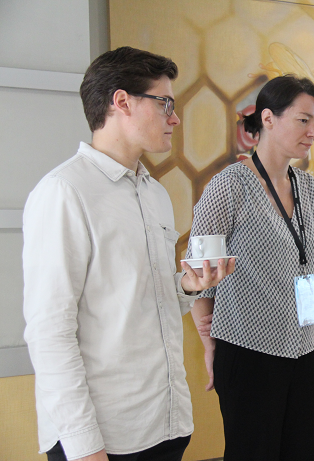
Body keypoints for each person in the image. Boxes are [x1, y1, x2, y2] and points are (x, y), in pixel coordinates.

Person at [22, 47, 232, 461]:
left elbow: (141, 300)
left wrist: (186, 286)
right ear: (122, 102)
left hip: (164, 424)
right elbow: (49, 333)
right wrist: (85, 446)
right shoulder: (65, 192)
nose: (174, 118)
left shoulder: (153, 193)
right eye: (164, 103)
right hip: (103, 437)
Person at [189, 75, 314, 461]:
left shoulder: (310, 189)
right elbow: (200, 272)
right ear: (268, 118)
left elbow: (302, 267)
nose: (313, 132)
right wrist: (209, 344)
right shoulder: (229, 186)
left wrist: (309, 330)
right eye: (303, 120)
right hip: (249, 351)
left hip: (308, 349)